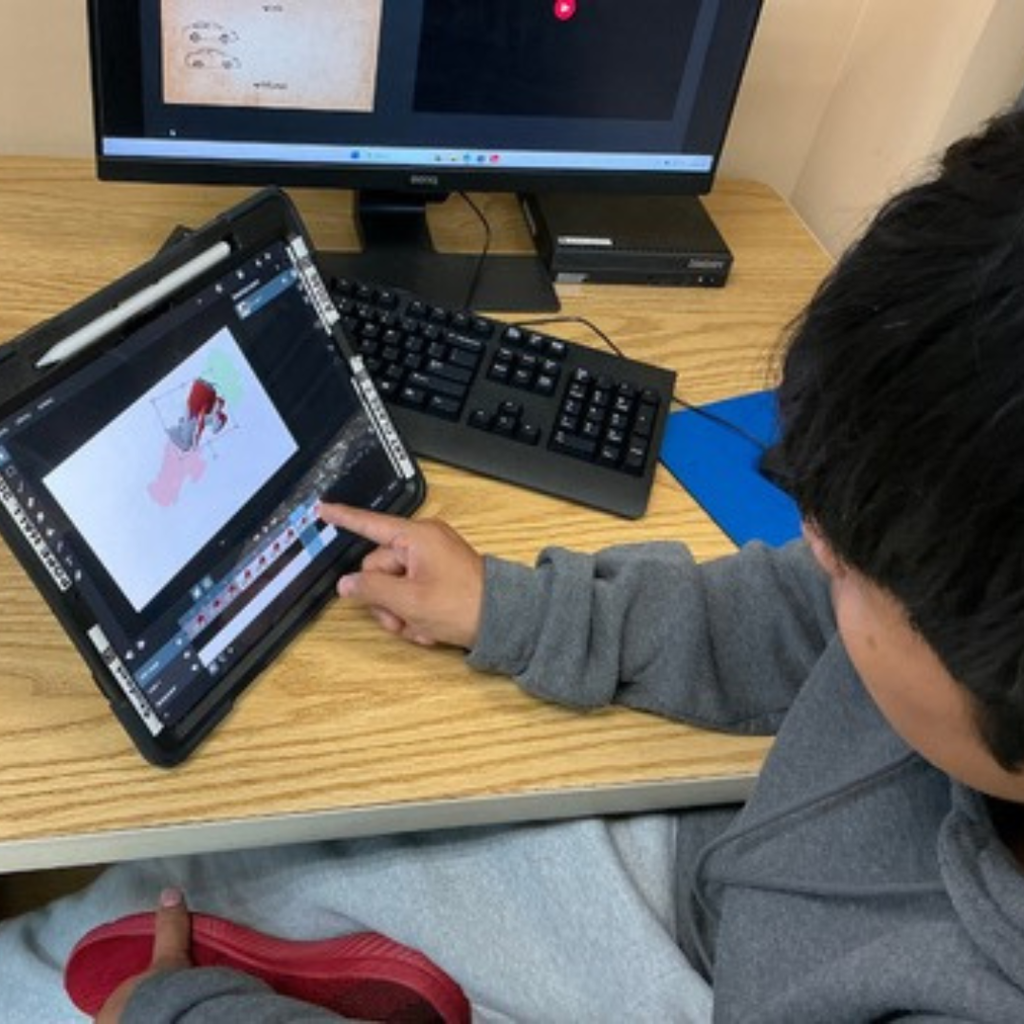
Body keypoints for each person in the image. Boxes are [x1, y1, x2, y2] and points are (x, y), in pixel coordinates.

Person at [5, 108, 1024, 1021]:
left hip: (710, 977)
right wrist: (511, 606)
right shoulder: (964, 638)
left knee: (56, 959)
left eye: (850, 569)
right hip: (723, 878)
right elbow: (801, 622)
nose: (810, 548)